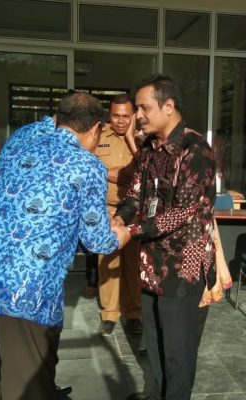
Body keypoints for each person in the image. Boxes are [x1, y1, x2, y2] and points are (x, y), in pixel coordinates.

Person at [0, 92, 131, 400]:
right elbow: (97, 241)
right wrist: (122, 232)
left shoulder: (19, 140)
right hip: (25, 293)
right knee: (28, 387)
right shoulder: (87, 165)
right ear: (95, 129)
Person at [114, 74, 216, 400]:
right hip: (150, 265)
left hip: (183, 269)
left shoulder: (195, 150)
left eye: (144, 108)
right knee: (155, 348)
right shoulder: (148, 148)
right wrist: (119, 218)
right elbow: (135, 194)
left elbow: (183, 211)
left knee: (177, 355)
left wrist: (131, 231)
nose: (138, 115)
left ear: (168, 106)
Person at [95, 93, 142, 336]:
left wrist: (119, 172)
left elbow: (148, 169)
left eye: (126, 116)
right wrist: (109, 172)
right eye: (116, 116)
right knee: (108, 262)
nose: (121, 121)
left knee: (133, 265)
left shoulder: (144, 139)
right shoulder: (98, 136)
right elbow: (88, 166)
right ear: (109, 115)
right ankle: (110, 314)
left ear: (134, 115)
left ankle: (133, 313)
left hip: (135, 210)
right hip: (107, 210)